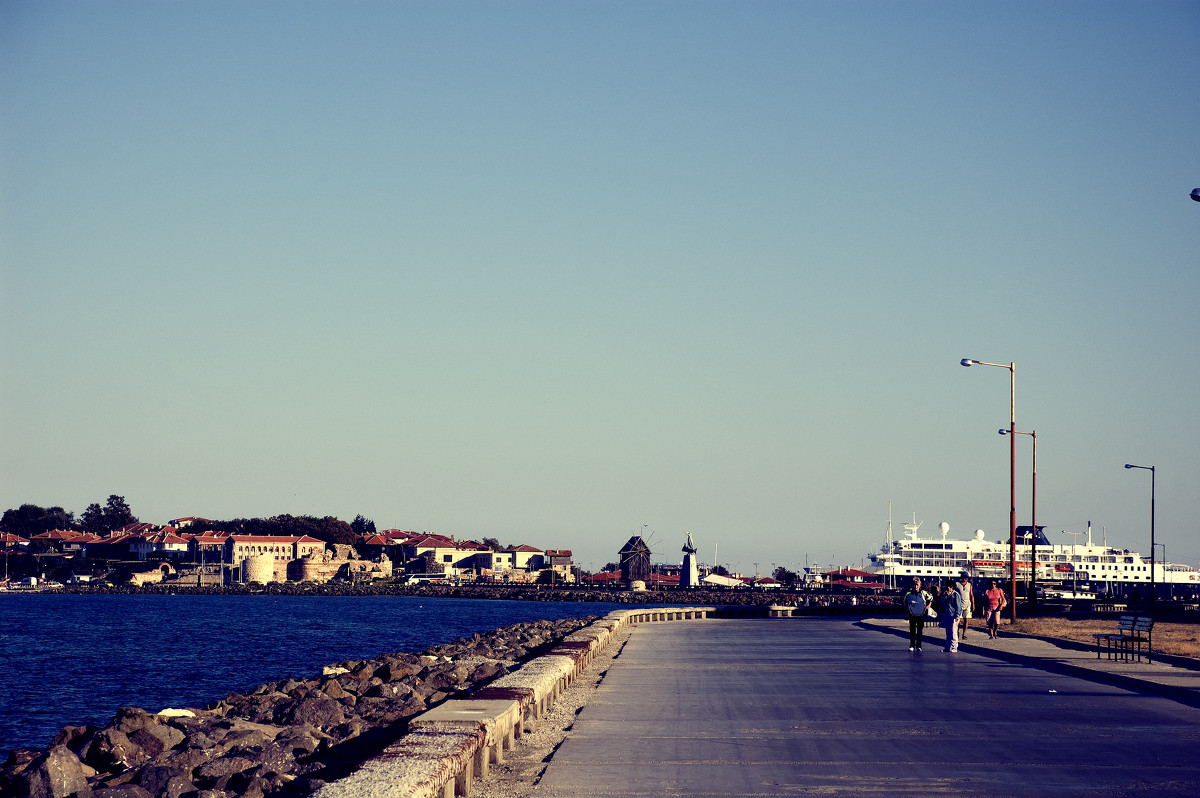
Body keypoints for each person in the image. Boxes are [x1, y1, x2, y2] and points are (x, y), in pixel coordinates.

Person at [902, 577, 933, 652]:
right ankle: (912, 645)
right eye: (914, 585)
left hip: (921, 615)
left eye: (917, 585)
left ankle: (919, 646)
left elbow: (931, 598)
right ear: (912, 585)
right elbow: (904, 602)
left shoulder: (924, 593)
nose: (916, 586)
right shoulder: (908, 594)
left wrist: (928, 606)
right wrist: (908, 610)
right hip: (912, 615)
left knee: (919, 631)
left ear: (920, 585)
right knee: (912, 631)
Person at [940, 582, 965, 652]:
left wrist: (957, 615)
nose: (948, 588)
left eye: (949, 587)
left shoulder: (956, 594)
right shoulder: (945, 594)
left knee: (953, 631)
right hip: (947, 614)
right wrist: (946, 596)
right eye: (947, 587)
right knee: (948, 632)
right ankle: (947, 647)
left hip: (953, 615)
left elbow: (958, 605)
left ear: (952, 587)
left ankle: (954, 647)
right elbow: (941, 602)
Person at [956, 573, 975, 639]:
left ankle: (964, 634)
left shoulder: (969, 585)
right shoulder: (957, 585)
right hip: (959, 605)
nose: (965, 579)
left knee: (966, 620)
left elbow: (971, 595)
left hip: (967, 605)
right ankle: (957, 632)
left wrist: (973, 604)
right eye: (964, 577)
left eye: (966, 578)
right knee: (958, 620)